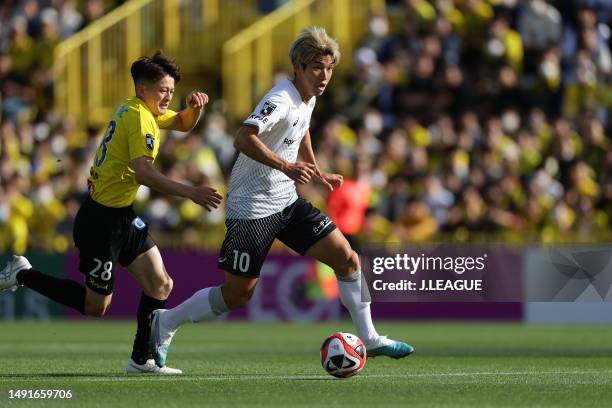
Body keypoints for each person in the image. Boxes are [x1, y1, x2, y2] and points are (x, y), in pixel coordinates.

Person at [149, 27, 414, 368]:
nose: (324, 76)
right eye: (317, 67)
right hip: (252, 208)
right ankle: (166, 321)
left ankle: (371, 337)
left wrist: (315, 169)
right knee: (237, 295)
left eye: (329, 68)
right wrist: (288, 167)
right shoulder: (280, 99)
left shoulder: (309, 98)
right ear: (298, 67)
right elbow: (243, 139)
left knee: (348, 259)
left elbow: (300, 130)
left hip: (286, 201)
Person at [0, 51, 222, 374]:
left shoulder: (141, 108)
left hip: (122, 215)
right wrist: (191, 192)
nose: (169, 97)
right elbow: (144, 174)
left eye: (172, 91)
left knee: (160, 284)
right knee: (96, 307)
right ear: (144, 89)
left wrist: (195, 109)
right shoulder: (139, 118)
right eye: (164, 90)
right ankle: (22, 273)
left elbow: (184, 125)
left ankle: (141, 359)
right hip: (100, 222)